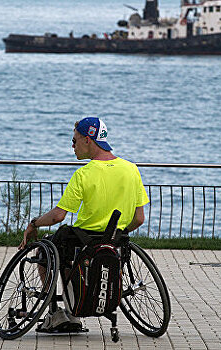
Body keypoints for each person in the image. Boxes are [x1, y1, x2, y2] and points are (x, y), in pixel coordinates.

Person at [19, 117, 149, 331]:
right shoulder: (131, 170)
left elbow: (58, 216)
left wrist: (34, 223)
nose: (72, 146)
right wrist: (116, 234)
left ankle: (57, 313)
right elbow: (139, 219)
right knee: (73, 249)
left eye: (74, 141)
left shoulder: (83, 174)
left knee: (45, 254)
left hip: (81, 242)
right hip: (113, 243)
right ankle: (75, 306)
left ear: (88, 140)